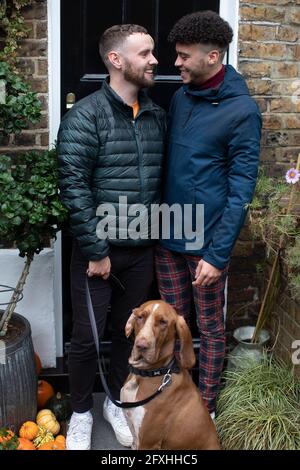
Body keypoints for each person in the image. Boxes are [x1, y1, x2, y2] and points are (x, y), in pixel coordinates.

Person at [57, 24, 165, 450]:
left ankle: (115, 403)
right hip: (96, 254)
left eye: (153, 52)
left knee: (130, 335)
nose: (154, 60)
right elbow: (74, 186)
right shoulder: (85, 116)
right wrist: (97, 250)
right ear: (116, 60)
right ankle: (82, 412)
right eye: (145, 53)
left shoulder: (156, 115)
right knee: (86, 338)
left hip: (141, 252)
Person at [155, 11, 262, 419]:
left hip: (206, 245)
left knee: (210, 328)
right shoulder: (182, 96)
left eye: (184, 56)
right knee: (169, 326)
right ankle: (170, 397)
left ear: (213, 56)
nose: (176, 64)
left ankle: (206, 407)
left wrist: (217, 255)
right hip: (167, 236)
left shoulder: (242, 111)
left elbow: (241, 191)